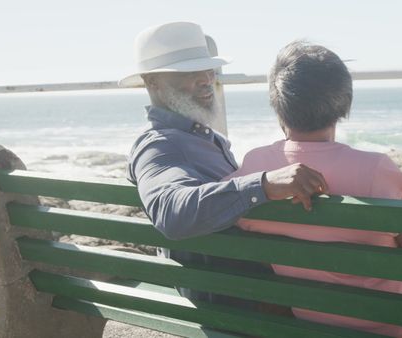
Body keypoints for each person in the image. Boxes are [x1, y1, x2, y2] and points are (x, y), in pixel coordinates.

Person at [225, 41, 402, 337]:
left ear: (279, 105)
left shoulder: (255, 170)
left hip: (320, 320)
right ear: (343, 103)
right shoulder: (377, 172)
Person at [122, 22, 328, 310]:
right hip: (235, 302)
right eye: (188, 71)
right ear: (151, 82)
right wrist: (265, 184)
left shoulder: (197, 139)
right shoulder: (159, 145)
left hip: (235, 290)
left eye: (208, 69)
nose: (207, 78)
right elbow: (171, 210)